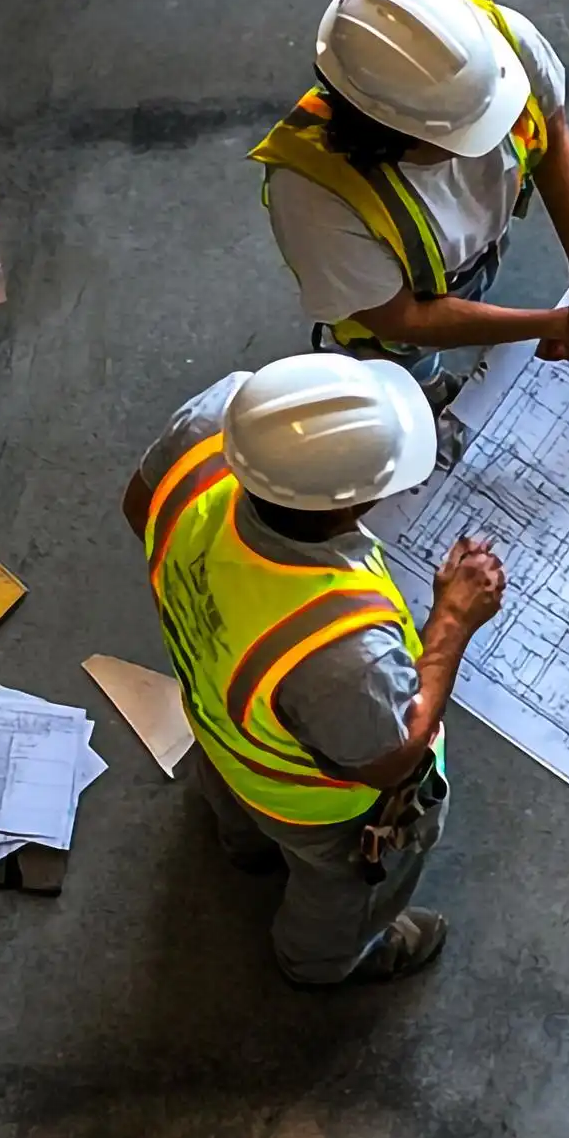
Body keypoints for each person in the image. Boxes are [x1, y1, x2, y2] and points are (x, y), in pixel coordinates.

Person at [121, 353, 506, 985]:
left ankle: (243, 847)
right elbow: (391, 760)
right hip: (313, 807)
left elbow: (140, 506)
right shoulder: (342, 651)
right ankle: (322, 962)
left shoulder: (214, 423)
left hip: (219, 725)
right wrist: (453, 622)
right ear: (342, 507)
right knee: (343, 887)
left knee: (237, 802)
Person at [252, 0, 569, 387]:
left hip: (472, 261)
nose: (496, 133)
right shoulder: (314, 196)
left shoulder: (505, 48)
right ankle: (429, 388)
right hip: (395, 334)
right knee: (409, 372)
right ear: (388, 134)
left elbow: (553, 135)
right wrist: (556, 324)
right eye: (466, 132)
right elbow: (402, 320)